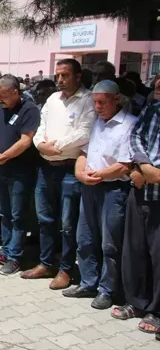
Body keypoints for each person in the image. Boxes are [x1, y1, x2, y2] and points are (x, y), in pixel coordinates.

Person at [22, 59, 97, 290]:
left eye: (65, 75)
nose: (60, 80)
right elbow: (41, 127)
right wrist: (40, 145)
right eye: (58, 76)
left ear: (78, 76)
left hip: (70, 169)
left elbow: (85, 132)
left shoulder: (88, 100)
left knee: (67, 223)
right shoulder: (53, 100)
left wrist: (57, 145)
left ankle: (66, 268)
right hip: (46, 168)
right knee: (45, 219)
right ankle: (46, 263)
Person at [62, 80, 135, 310]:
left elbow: (126, 164)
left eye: (102, 102)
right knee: (84, 238)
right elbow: (84, 151)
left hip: (113, 190)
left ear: (117, 99)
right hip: (90, 186)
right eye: (95, 102)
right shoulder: (97, 123)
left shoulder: (129, 125)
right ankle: (88, 282)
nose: (98, 106)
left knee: (109, 243)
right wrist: (80, 172)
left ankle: (108, 289)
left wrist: (101, 174)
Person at [111, 75, 160, 335]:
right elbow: (136, 138)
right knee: (135, 251)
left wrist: (156, 173)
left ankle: (157, 310)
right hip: (141, 190)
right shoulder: (152, 110)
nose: (159, 85)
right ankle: (137, 302)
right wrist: (143, 166)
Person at [0, 75, 40, 275]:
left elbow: (26, 140)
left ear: (16, 92)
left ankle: (15, 257)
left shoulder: (30, 110)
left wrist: (5, 156)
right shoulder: (0, 108)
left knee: (18, 216)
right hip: (1, 169)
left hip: (20, 171)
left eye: (4, 96)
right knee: (4, 213)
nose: (0, 100)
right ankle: (5, 250)